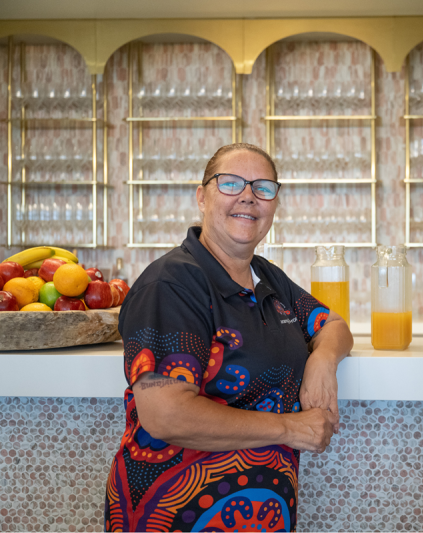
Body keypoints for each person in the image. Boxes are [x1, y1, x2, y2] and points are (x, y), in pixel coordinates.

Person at [104, 143, 353, 532]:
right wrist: (291, 428)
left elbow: (333, 324)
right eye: (231, 183)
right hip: (177, 515)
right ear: (202, 197)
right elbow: (165, 415)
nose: (248, 197)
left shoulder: (267, 277)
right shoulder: (170, 284)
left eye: (263, 188)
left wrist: (323, 360)